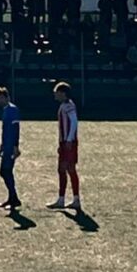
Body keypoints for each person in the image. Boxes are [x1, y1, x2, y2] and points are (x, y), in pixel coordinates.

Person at [47, 81, 81, 211]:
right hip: (65, 142)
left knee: (69, 169)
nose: (55, 95)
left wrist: (69, 139)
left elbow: (74, 122)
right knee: (62, 170)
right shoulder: (64, 105)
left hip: (69, 142)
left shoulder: (68, 106)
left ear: (62, 93)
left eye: (57, 92)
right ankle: (63, 199)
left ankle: (74, 199)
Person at [0, 87, 21, 211]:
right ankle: (12, 198)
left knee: (6, 171)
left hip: (11, 147)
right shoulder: (5, 110)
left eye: (0, 98)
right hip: (7, 146)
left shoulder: (12, 110)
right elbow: (5, 131)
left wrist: (15, 146)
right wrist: (1, 147)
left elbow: (15, 129)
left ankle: (14, 199)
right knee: (5, 172)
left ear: (6, 97)